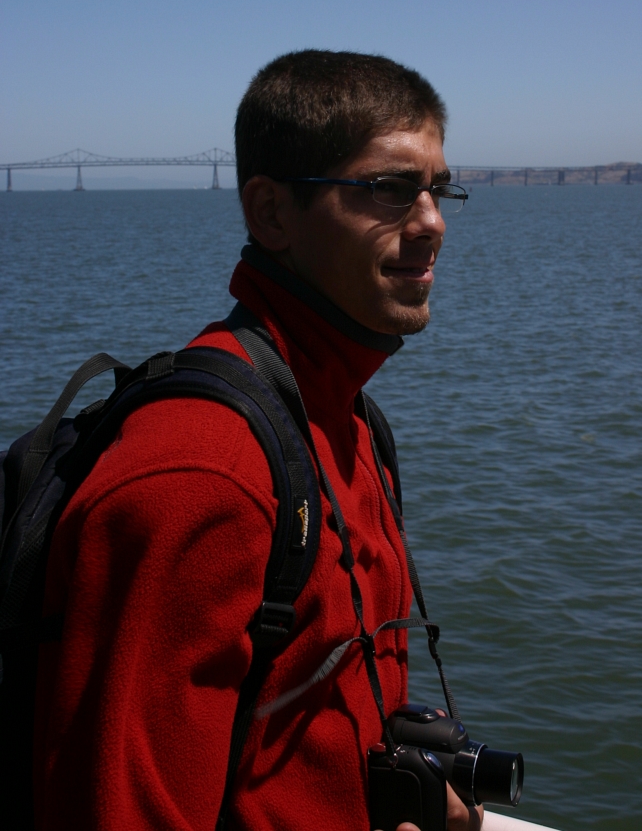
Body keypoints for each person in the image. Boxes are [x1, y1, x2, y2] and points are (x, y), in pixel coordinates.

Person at [33, 50, 480, 831]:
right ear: (271, 212)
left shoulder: (349, 422)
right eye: (388, 188)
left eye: (437, 190)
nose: (432, 222)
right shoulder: (201, 471)